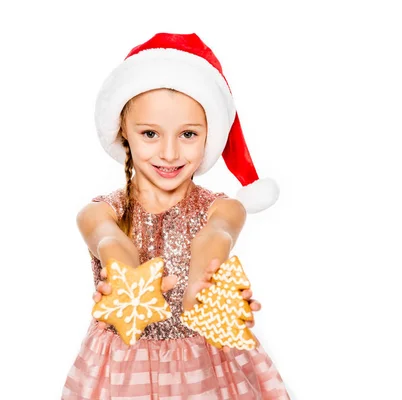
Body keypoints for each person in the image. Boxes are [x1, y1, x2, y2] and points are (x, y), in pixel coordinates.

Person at [61, 32, 291, 399]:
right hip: (124, 369)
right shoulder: (99, 211)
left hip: (205, 367)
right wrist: (126, 277)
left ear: (209, 135)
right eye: (150, 133)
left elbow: (216, 235)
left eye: (188, 134)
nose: (169, 153)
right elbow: (108, 238)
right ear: (124, 132)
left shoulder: (223, 207)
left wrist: (204, 282)